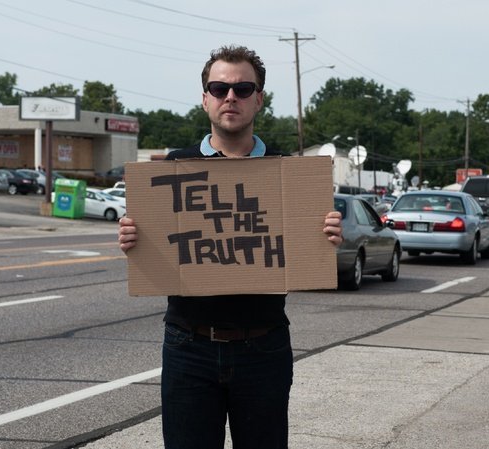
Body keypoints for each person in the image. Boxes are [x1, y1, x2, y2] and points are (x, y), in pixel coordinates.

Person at [118, 45, 342, 449]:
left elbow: (304, 249)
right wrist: (135, 239)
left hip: (264, 346)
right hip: (189, 345)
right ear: (205, 98)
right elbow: (157, 247)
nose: (230, 98)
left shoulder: (288, 173)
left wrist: (324, 236)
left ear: (259, 98)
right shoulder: (174, 168)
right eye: (219, 88)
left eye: (242, 89)